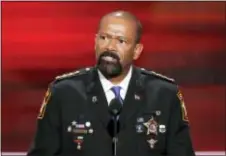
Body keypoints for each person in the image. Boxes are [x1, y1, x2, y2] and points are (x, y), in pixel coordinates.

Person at [27, 10, 195, 156]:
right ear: (95, 41)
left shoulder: (164, 95)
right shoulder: (63, 93)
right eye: (104, 37)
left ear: (137, 51)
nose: (110, 47)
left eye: (121, 41)